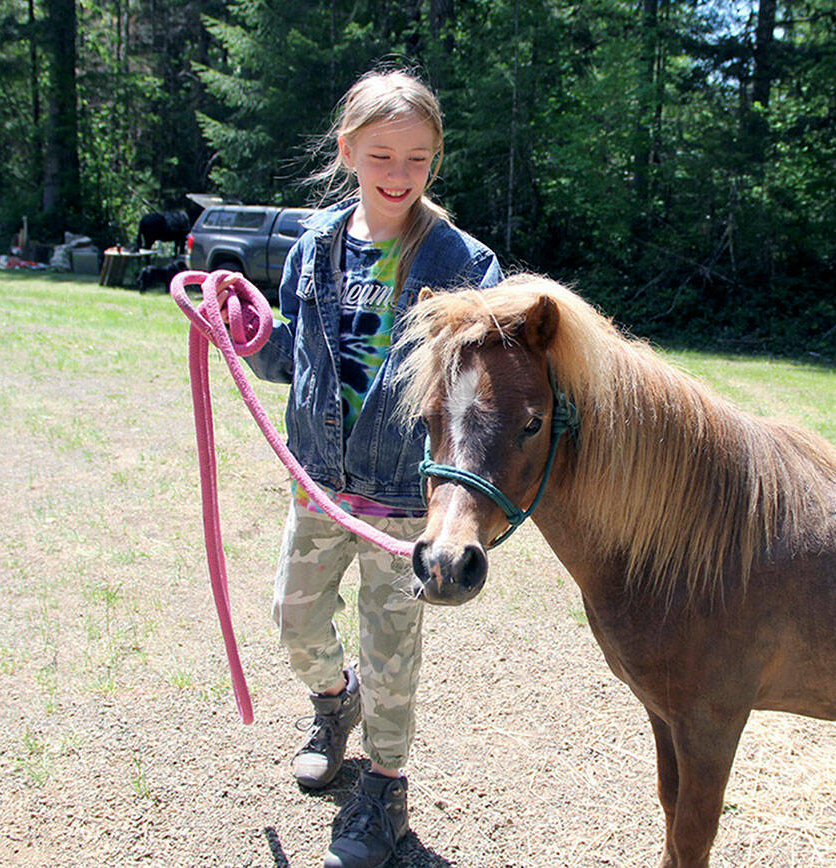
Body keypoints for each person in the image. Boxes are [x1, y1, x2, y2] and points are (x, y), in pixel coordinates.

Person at [238, 69, 502, 868]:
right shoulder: (315, 245)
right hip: (319, 483)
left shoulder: (462, 262)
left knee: (393, 655)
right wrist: (249, 336)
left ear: (434, 162)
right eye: (382, 155)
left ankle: (384, 789)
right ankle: (332, 700)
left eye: (417, 160)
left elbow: (477, 386)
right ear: (349, 150)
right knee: (293, 619)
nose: (398, 175)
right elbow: (299, 357)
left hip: (402, 503)